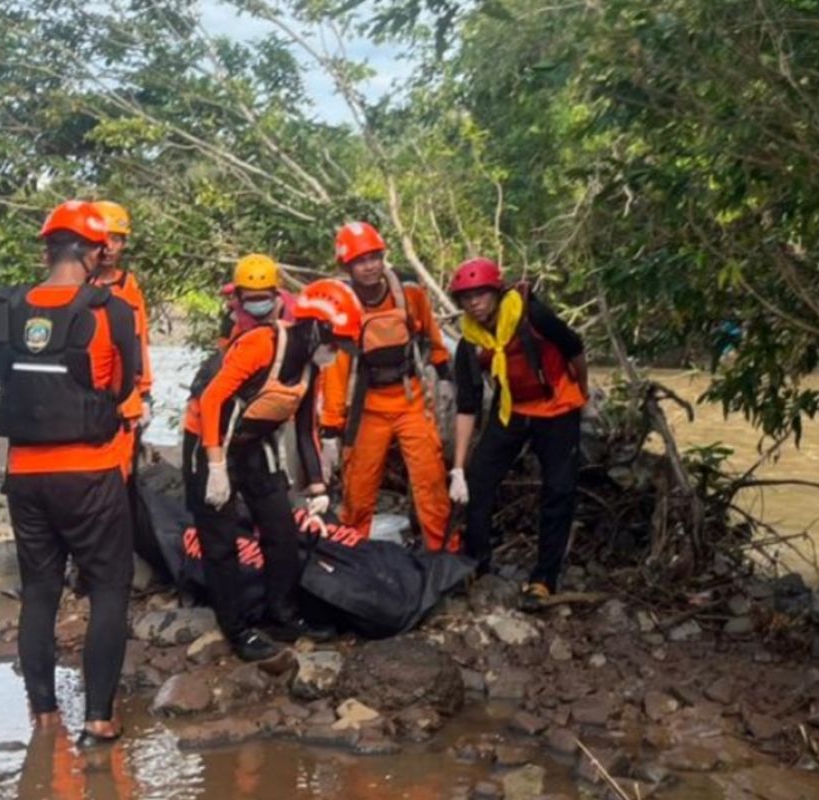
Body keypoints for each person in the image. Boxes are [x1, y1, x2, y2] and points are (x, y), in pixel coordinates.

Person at [0, 200, 139, 743]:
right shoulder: (110, 310)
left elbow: (5, 375)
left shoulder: (6, 308)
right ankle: (99, 715)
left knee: (40, 591)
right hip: (91, 471)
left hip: (25, 473)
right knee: (107, 589)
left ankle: (44, 713)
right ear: (98, 251)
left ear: (47, 247)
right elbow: (125, 386)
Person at [182, 260, 362, 661]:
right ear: (317, 328)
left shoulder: (309, 365)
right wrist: (214, 466)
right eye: (336, 342)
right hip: (210, 442)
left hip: (254, 445)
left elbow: (304, 428)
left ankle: (282, 612)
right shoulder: (261, 344)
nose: (337, 352)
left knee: (280, 530)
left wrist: (317, 487)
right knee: (221, 539)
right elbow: (212, 400)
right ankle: (237, 628)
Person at [447, 257, 588, 610]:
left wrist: (581, 392)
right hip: (513, 408)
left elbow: (575, 348)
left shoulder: (532, 316)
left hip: (557, 405)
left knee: (558, 489)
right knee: (479, 481)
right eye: (466, 297)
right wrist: (459, 469)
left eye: (480, 294)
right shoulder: (471, 341)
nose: (473, 303)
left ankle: (544, 578)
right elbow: (468, 405)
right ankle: (477, 563)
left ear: (496, 292)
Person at [319, 221, 457, 551]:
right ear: (347, 266)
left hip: (410, 399)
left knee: (431, 481)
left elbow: (431, 336)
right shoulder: (341, 305)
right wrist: (331, 427)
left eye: (374, 258)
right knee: (358, 486)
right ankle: (350, 554)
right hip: (367, 408)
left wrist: (446, 374)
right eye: (360, 261)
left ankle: (445, 555)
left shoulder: (407, 291)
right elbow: (335, 369)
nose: (369, 267)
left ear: (383, 257)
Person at [91, 201, 153, 479]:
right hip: (88, 397)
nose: (109, 247)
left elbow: (139, 343)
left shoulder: (129, 286)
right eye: (104, 238)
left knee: (123, 479)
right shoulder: (76, 286)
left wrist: (146, 394)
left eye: (116, 239)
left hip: (126, 400)